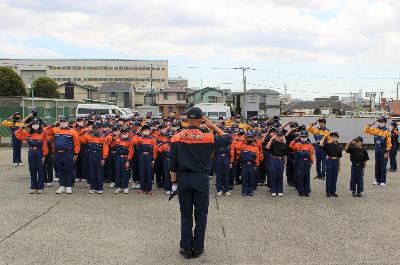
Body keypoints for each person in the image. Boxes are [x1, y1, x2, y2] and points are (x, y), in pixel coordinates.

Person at [170, 107, 231, 259]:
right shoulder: (207, 137)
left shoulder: (176, 137)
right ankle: (198, 248)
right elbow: (227, 138)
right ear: (201, 119)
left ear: (186, 119)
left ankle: (185, 247)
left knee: (185, 215)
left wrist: (174, 183)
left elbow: (172, 165)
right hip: (201, 179)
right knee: (201, 214)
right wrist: (211, 125)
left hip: (183, 179)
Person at [47, 117, 80, 194]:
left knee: (69, 170)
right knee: (60, 170)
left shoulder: (72, 131)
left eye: (64, 122)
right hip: (57, 153)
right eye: (61, 122)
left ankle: (68, 186)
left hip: (68, 153)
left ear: (68, 123)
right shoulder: (55, 129)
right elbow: (46, 131)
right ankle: (62, 186)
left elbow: (77, 143)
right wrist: (54, 124)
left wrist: (76, 154)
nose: (63, 123)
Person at [15, 118, 48, 194]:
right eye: (33, 124)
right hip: (31, 152)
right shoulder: (28, 133)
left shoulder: (43, 133)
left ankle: (40, 187)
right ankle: (33, 186)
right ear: (31, 125)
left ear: (39, 125)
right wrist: (22, 128)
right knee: (32, 170)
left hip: (39, 152)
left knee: (40, 170)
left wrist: (44, 155)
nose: (35, 125)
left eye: (36, 124)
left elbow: (45, 145)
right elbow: (17, 135)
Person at [80, 122, 109, 194]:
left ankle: (100, 188)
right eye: (94, 128)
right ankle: (93, 187)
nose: (95, 129)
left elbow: (105, 148)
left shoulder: (102, 137)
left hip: (99, 155)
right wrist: (86, 132)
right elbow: (82, 140)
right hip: (91, 155)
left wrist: (104, 158)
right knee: (91, 172)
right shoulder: (89, 136)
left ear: (100, 129)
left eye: (97, 128)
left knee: (99, 172)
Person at [364, 116, 392, 186]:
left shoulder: (387, 131)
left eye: (382, 122)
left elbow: (389, 143)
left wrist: (386, 152)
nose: (381, 123)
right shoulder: (375, 129)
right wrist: (370, 124)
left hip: (383, 150)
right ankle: (377, 180)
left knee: (383, 165)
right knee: (377, 165)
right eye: (379, 121)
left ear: (385, 123)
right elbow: (366, 130)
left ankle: (383, 181)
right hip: (377, 149)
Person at [289, 130, 314, 197]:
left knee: (307, 176)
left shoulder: (309, 144)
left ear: (307, 136)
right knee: (300, 176)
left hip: (307, 162)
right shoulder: (297, 143)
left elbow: (311, 153)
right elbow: (290, 146)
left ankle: (306, 191)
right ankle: (300, 191)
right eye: (302, 136)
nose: (304, 137)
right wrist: (295, 139)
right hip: (300, 162)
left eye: (305, 136)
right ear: (300, 136)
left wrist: (312, 161)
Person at [135, 124, 157, 195]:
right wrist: (137, 133)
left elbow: (155, 150)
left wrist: (154, 159)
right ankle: (142, 189)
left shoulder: (152, 139)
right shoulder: (139, 138)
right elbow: (133, 141)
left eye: (147, 130)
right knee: (142, 172)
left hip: (149, 157)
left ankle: (149, 189)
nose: (145, 131)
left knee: (149, 172)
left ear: (149, 131)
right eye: (144, 130)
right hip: (141, 156)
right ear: (142, 131)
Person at [112, 127, 134, 194]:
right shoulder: (117, 140)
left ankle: (125, 187)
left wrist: (128, 160)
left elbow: (131, 152)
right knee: (118, 172)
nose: (124, 134)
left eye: (125, 132)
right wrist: (115, 137)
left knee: (126, 173)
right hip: (118, 158)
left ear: (128, 133)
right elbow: (112, 146)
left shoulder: (130, 141)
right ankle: (118, 187)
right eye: (123, 133)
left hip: (126, 158)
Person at [266, 130, 288, 197]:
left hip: (281, 160)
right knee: (273, 175)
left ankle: (280, 190)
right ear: (275, 136)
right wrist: (272, 138)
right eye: (277, 136)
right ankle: (273, 190)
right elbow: (267, 147)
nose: (279, 137)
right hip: (273, 159)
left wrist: (285, 163)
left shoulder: (284, 144)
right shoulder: (272, 143)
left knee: (280, 175)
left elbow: (285, 154)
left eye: (280, 136)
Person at [320, 132, 342, 197]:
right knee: (329, 176)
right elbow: (321, 144)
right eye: (332, 136)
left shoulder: (339, 146)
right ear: (331, 137)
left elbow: (339, 157)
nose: (334, 138)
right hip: (329, 160)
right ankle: (328, 191)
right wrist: (324, 137)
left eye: (335, 137)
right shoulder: (328, 144)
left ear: (337, 138)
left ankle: (333, 191)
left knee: (335, 177)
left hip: (336, 161)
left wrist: (340, 166)